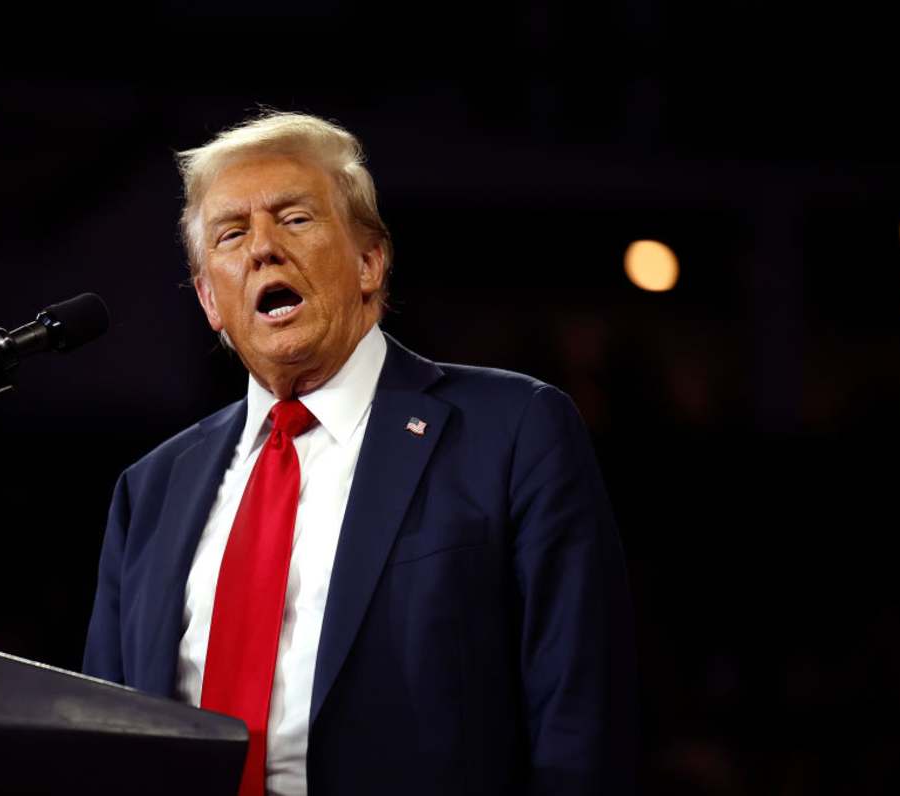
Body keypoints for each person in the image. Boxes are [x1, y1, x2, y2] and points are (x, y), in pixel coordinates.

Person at [83, 111, 637, 796]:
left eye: (294, 220)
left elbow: (580, 714)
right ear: (209, 301)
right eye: (232, 234)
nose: (262, 249)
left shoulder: (513, 430)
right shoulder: (153, 487)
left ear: (370, 262)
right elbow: (104, 736)